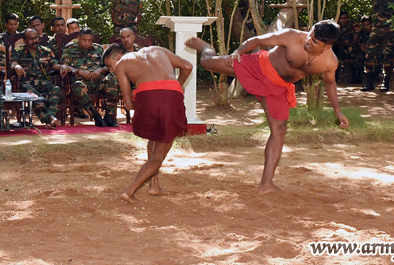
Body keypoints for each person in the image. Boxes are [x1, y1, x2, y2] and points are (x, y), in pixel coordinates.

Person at [185, 21, 350, 194]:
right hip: (258, 66)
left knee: (280, 129)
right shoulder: (291, 36)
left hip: (277, 87)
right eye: (310, 35)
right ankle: (206, 47)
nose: (309, 41)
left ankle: (266, 184)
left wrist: (338, 111)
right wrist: (237, 52)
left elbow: (330, 84)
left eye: (315, 41)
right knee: (207, 63)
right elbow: (257, 41)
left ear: (327, 46)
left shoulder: (329, 62)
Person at [103, 43, 193, 203]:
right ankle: (130, 191)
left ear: (118, 57)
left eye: (110, 65)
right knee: (159, 151)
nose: (111, 70)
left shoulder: (122, 63)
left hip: (147, 96)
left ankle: (154, 185)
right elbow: (187, 66)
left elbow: (128, 104)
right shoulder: (159, 50)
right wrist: (178, 84)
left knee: (155, 137)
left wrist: (142, 103)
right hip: (171, 94)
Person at [11, 29, 72, 129]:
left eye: (36, 38)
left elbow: (54, 64)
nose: (34, 41)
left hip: (43, 82)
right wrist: (16, 66)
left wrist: (63, 66)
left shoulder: (46, 51)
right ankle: (49, 118)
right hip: (26, 83)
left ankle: (51, 116)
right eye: (31, 39)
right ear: (24, 41)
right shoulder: (18, 51)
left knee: (56, 89)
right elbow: (13, 63)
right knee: (31, 93)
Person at [60, 28, 118, 126]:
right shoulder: (70, 49)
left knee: (113, 79)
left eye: (90, 40)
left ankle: (109, 115)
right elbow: (64, 66)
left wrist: (100, 70)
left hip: (98, 82)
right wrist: (79, 71)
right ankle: (95, 115)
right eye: (84, 40)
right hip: (82, 82)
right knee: (78, 86)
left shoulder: (98, 49)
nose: (87, 43)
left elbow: (109, 65)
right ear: (78, 38)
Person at [361, 0, 394, 93]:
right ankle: (369, 83)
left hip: (389, 32)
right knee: (369, 55)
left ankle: (386, 82)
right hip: (375, 32)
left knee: (388, 57)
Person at [332, 11, 360, 84]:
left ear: (348, 18)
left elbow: (355, 42)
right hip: (338, 48)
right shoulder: (335, 27)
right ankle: (334, 77)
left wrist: (343, 43)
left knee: (356, 53)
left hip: (351, 47)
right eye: (341, 18)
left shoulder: (354, 26)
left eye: (345, 18)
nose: (343, 20)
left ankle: (356, 77)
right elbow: (333, 42)